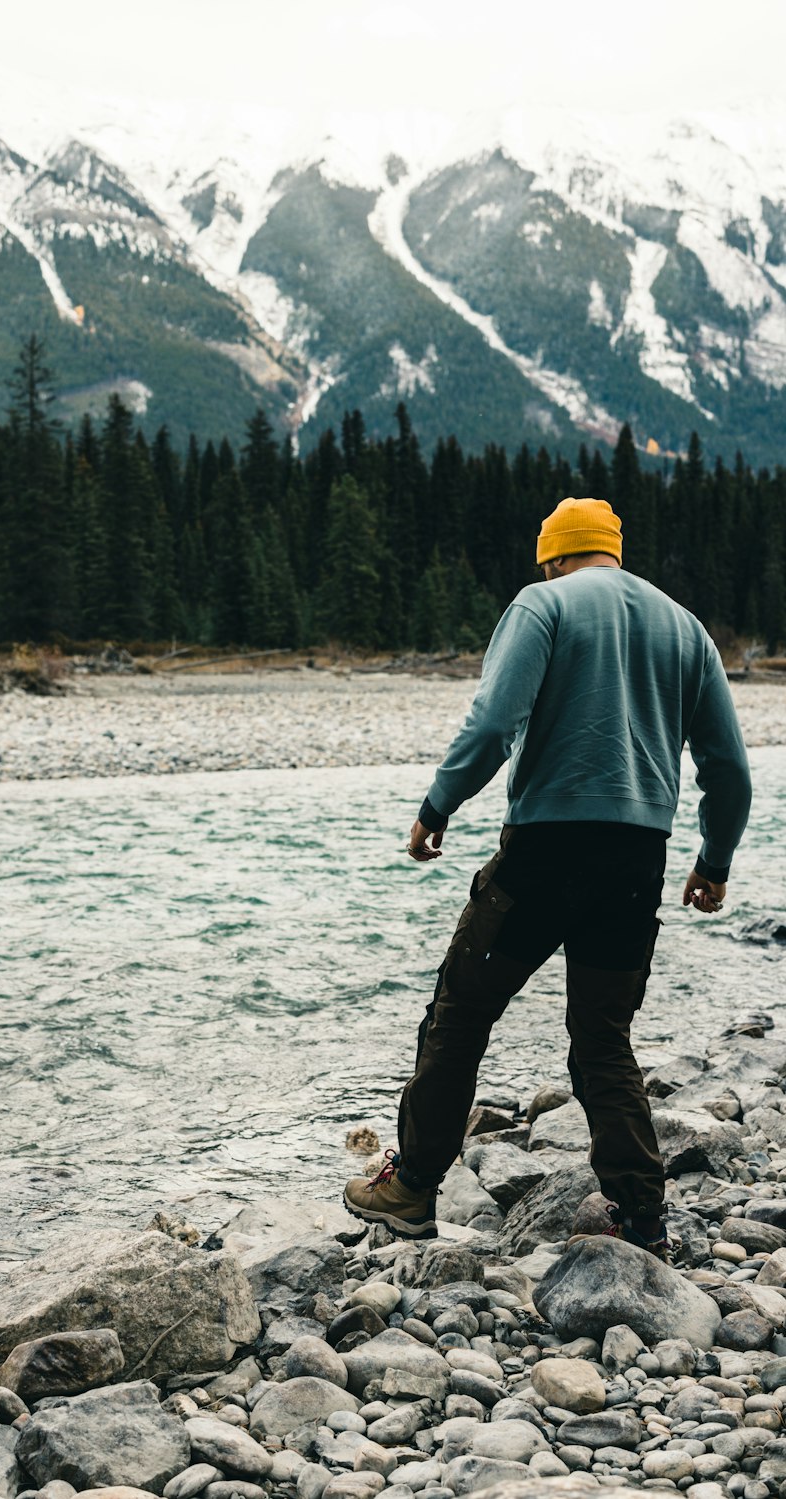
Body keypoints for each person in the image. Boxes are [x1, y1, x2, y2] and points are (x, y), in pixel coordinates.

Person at [344, 497, 752, 1259]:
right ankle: (641, 1219)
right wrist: (715, 859)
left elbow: (496, 722)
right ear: (613, 552)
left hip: (542, 854)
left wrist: (438, 805)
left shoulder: (542, 604)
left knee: (460, 1014)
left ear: (555, 557)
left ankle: (411, 1187)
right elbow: (727, 766)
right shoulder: (684, 626)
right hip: (638, 859)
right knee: (602, 1039)